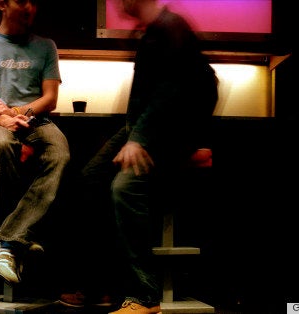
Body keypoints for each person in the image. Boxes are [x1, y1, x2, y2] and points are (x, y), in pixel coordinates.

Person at [60, 0, 219, 313]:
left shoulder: (171, 27)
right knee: (90, 178)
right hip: (145, 126)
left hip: (172, 129)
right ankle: (100, 284)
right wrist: (133, 133)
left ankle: (145, 297)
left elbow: (173, 89)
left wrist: (139, 139)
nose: (118, 2)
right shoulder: (149, 34)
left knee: (124, 188)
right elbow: (146, 97)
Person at [0, 0, 70, 284]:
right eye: (21, 0)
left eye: (34, 1)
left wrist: (18, 112)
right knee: (2, 144)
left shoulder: (46, 45)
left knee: (60, 152)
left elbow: (50, 98)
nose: (30, 7)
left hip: (37, 121)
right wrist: (3, 118)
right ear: (1, 4)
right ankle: (16, 238)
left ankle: (8, 240)